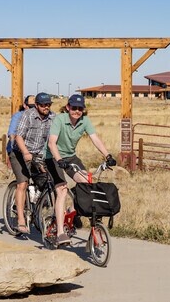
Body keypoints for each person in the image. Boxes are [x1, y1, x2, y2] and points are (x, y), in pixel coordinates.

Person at [47, 94, 114, 245]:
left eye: (80, 108)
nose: (77, 111)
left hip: (70, 157)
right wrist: (59, 160)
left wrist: (107, 155)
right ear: (68, 107)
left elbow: (95, 138)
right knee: (62, 190)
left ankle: (72, 211)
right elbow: (52, 143)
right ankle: (60, 233)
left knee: (86, 183)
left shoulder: (85, 121)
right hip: (53, 157)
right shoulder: (60, 119)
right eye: (74, 108)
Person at [12, 92, 56, 234]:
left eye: (48, 104)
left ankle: (40, 210)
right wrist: (25, 152)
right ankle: (20, 220)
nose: (46, 107)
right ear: (36, 105)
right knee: (23, 183)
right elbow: (18, 136)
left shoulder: (52, 117)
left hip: (38, 154)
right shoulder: (28, 115)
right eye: (43, 104)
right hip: (20, 152)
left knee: (47, 179)